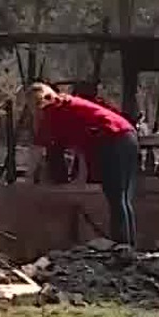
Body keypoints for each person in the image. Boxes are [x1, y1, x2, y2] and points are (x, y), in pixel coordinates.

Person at [24, 81, 140, 247]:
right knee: (122, 198)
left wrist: (29, 179)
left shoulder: (53, 110)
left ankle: (122, 246)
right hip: (127, 134)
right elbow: (77, 145)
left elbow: (40, 147)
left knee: (115, 196)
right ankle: (128, 246)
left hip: (113, 138)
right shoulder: (66, 104)